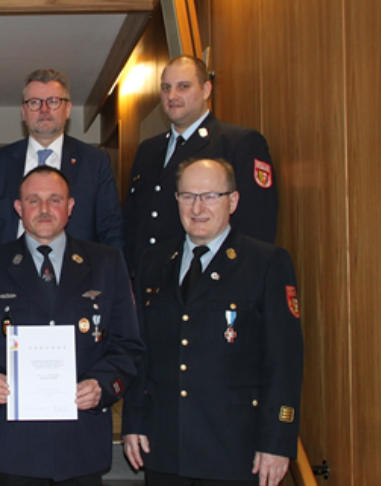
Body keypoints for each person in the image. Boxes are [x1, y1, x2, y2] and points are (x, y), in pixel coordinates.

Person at [122, 158, 302, 486]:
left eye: (210, 196)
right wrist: (133, 421)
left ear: (233, 201)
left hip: (234, 451)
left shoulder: (265, 263)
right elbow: (141, 350)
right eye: (188, 196)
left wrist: (277, 441)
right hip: (165, 447)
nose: (197, 208)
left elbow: (284, 361)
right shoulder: (154, 262)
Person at [0, 166, 144, 484]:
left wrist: (102, 386)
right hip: (13, 446)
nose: (44, 209)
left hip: (81, 442)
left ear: (70, 206)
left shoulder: (106, 263)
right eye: (33, 200)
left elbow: (127, 344)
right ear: (18, 208)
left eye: (55, 200)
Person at [123, 55, 277, 271]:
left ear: (206, 90)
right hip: (152, 279)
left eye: (183, 87)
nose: (172, 96)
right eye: (166, 88)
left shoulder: (238, 143)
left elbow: (256, 223)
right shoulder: (148, 150)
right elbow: (135, 221)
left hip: (209, 275)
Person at [0, 68, 123, 250]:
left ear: (68, 109)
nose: (44, 109)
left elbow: (111, 230)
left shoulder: (94, 162)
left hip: (78, 266)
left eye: (53, 101)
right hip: (9, 266)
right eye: (34, 102)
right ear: (23, 112)